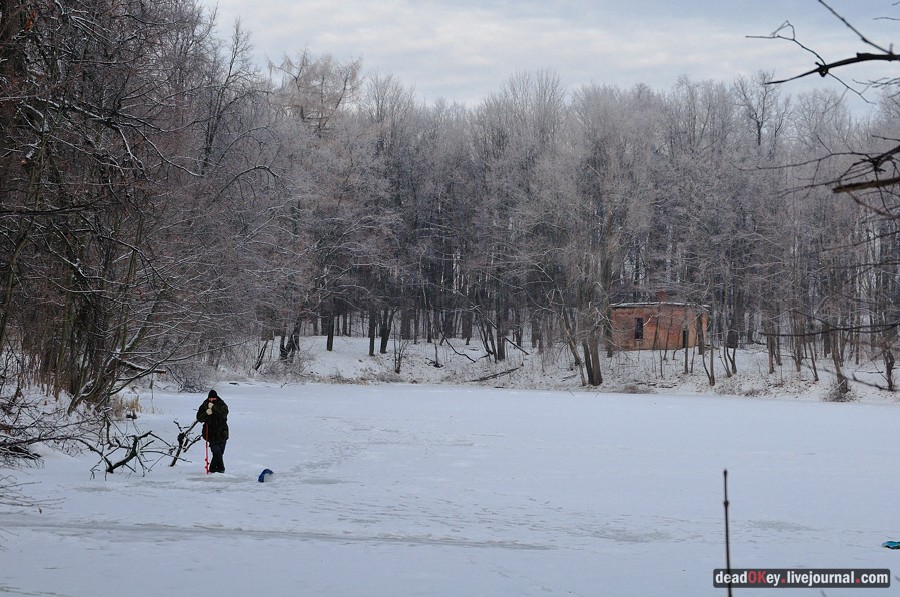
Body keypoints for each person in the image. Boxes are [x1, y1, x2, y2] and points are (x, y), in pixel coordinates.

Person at [197, 389, 229, 473]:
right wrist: (207, 413)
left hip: (222, 432)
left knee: (220, 452)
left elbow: (223, 416)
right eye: (210, 398)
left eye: (213, 398)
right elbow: (199, 418)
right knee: (217, 451)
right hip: (211, 433)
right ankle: (221, 469)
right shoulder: (204, 405)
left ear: (216, 398)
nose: (211, 400)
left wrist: (213, 408)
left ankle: (212, 468)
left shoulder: (222, 404)